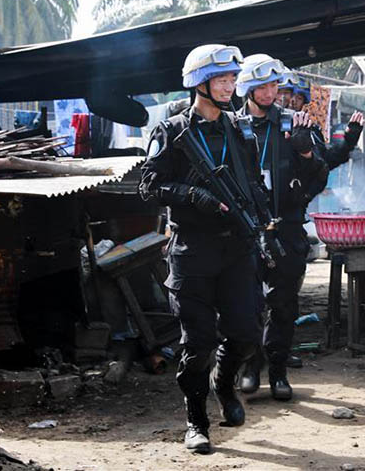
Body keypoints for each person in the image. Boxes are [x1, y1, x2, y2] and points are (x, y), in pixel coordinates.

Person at [139, 44, 268, 454]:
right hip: (192, 252)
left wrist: (266, 223)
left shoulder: (240, 130)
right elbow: (148, 186)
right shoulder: (172, 131)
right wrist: (193, 196)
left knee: (246, 333)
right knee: (197, 346)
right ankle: (196, 420)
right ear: (200, 83)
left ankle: (224, 384)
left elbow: (255, 184)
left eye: (232, 79)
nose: (230, 86)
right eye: (222, 80)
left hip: (236, 250)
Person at [235, 54, 329, 401]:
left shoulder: (295, 124)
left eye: (275, 84)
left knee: (284, 304)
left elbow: (319, 178)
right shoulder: (231, 127)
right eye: (263, 85)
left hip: (286, 229)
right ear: (247, 88)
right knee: (245, 304)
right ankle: (249, 366)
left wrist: (306, 154)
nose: (271, 91)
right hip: (245, 231)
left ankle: (277, 371)